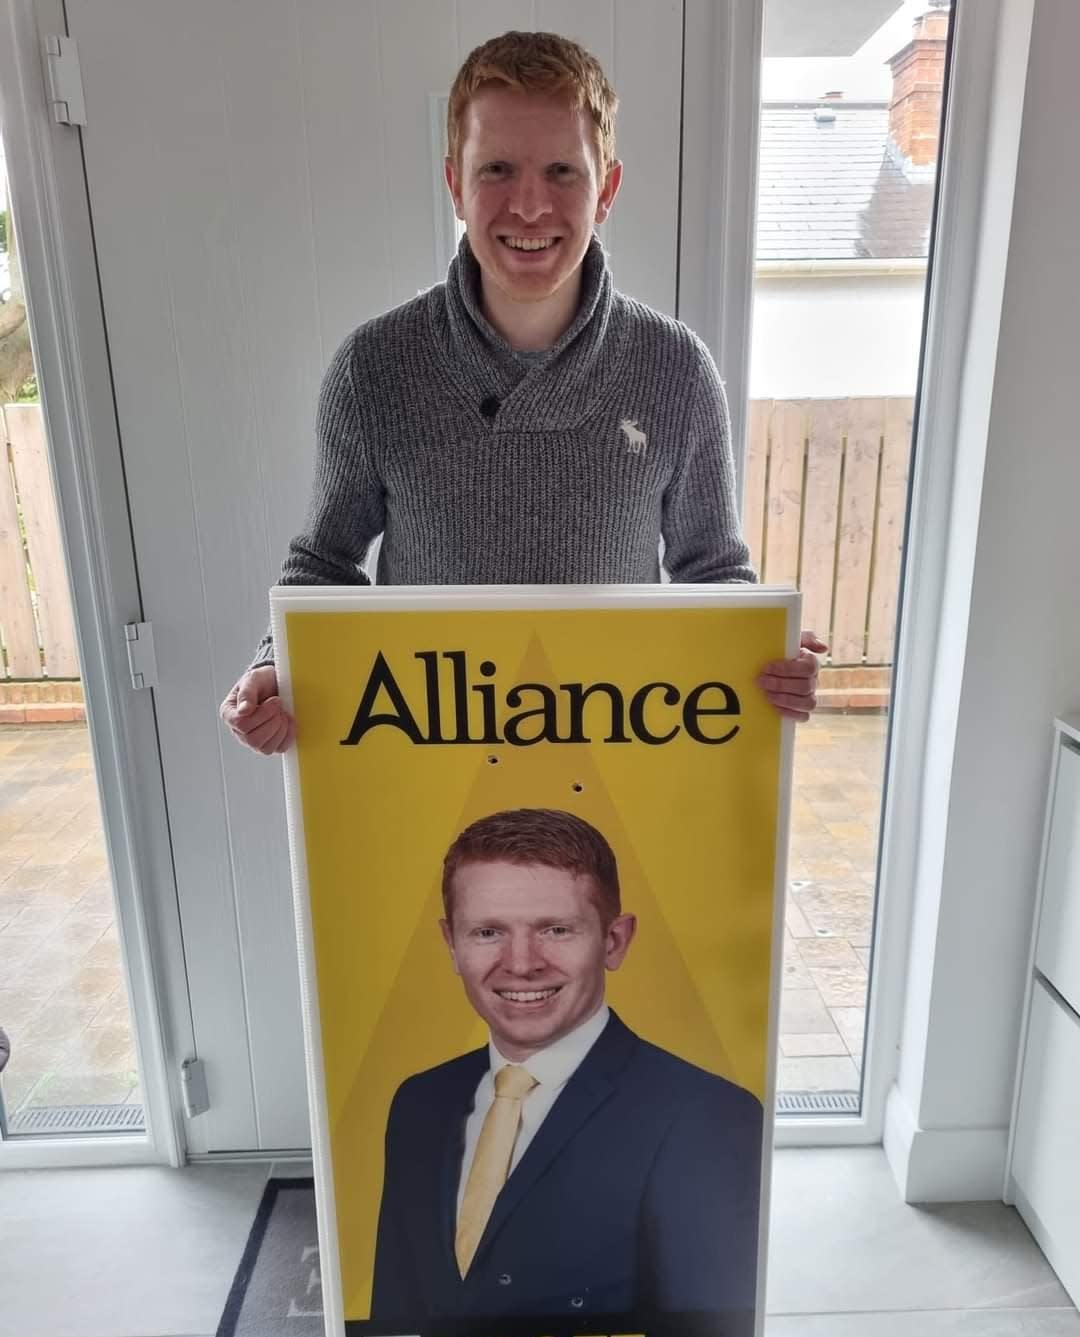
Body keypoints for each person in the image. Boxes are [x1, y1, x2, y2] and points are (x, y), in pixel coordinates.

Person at [219, 30, 824, 755]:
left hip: (616, 751)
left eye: (563, 170)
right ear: (454, 185)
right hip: (430, 753)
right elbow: (325, 562)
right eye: (497, 168)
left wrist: (769, 656)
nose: (530, 205)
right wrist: (271, 663)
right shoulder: (373, 370)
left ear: (606, 190)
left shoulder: (676, 371)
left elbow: (713, 571)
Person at [370, 808, 763, 1332]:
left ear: (613, 941)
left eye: (555, 929)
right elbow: (398, 1310)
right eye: (487, 932)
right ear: (451, 944)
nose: (522, 962)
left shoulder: (709, 1118)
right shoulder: (419, 1102)